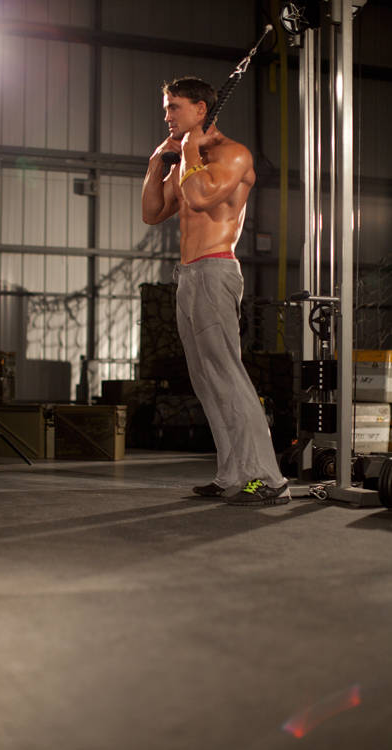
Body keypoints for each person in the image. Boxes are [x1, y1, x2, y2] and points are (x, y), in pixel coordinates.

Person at [141, 76, 290, 506]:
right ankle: (231, 475)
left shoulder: (232, 155)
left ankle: (268, 479)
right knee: (206, 381)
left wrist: (188, 150)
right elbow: (152, 212)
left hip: (215, 270)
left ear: (201, 109)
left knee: (226, 374)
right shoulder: (188, 159)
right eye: (166, 108)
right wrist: (156, 163)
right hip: (188, 276)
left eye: (174, 107)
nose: (167, 116)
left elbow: (201, 196)